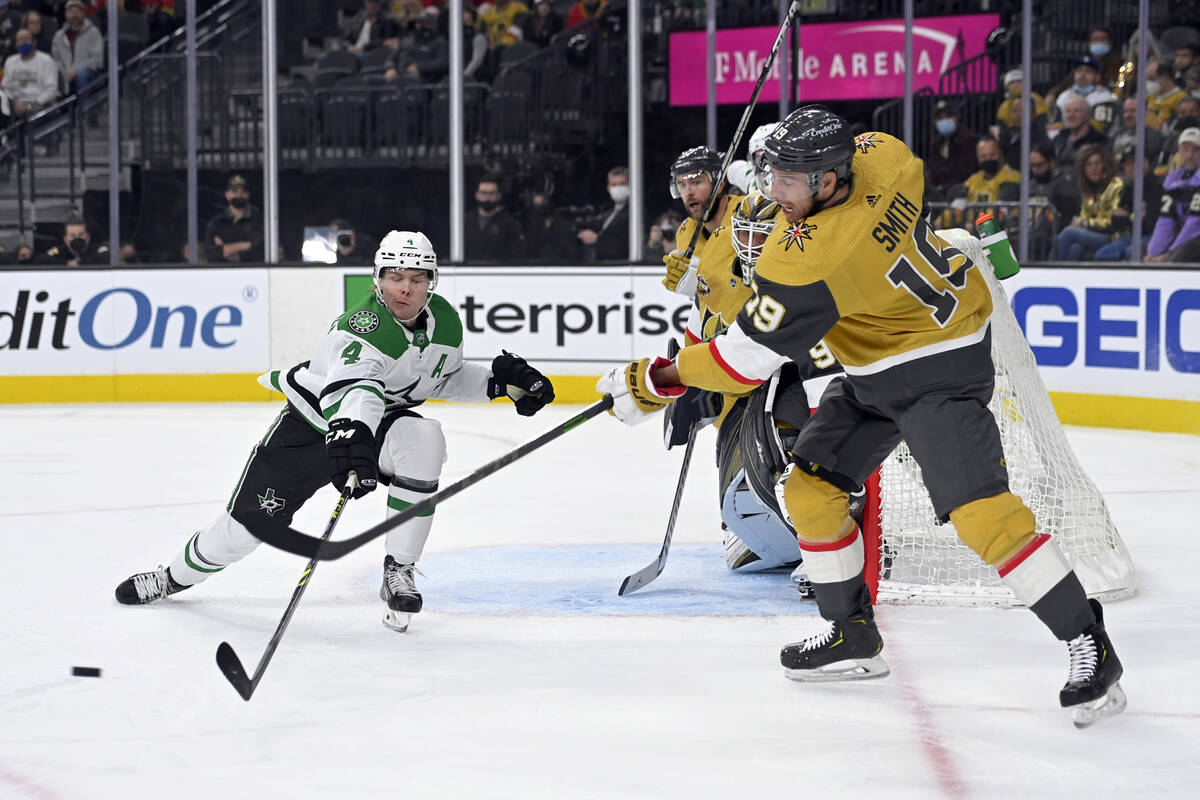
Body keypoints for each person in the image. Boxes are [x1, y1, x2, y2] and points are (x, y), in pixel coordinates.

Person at [598, 106, 1126, 726]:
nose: (773, 195)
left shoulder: (814, 262)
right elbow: (866, 165)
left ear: (827, 180)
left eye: (789, 184)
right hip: (881, 364)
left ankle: (1089, 642)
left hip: (939, 372)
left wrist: (654, 380)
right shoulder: (884, 156)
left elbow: (739, 363)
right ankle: (852, 635)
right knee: (811, 490)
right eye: (770, 178)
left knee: (983, 517)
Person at [115, 230, 556, 633]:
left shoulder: (444, 322)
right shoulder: (359, 328)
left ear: (432, 281)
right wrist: (351, 437)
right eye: (396, 276)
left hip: (375, 425)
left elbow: (438, 377)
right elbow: (357, 390)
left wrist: (498, 384)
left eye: (418, 279)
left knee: (425, 440)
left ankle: (398, 571)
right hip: (313, 426)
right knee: (238, 534)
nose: (406, 288)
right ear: (378, 278)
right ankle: (170, 577)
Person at [660, 146, 744, 293]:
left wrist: (705, 282)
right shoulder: (685, 233)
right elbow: (708, 300)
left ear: (719, 186)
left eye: (696, 182)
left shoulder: (747, 212)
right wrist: (696, 289)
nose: (688, 192)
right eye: (682, 185)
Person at [1052, 144, 1124, 261]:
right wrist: (1080, 222)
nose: (1093, 168)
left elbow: (1111, 221)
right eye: (1088, 164)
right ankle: (1065, 277)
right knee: (1075, 247)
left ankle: (1050, 276)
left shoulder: (1115, 185)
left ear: (1104, 165)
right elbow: (1084, 215)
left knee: (1068, 233)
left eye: (1097, 163)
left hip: (1112, 236)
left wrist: (1084, 224)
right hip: (1092, 233)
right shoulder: (1088, 189)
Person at [1095, 147, 1162, 261]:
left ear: (1146, 162)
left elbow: (1150, 224)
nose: (1130, 168)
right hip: (1131, 236)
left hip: (1153, 236)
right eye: (1127, 165)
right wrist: (1132, 218)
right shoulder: (1127, 188)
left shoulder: (1157, 187)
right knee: (1102, 255)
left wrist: (1128, 217)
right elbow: (1114, 219)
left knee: (1131, 252)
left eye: (1133, 163)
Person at [1146, 127, 1200, 262]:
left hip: (1194, 238)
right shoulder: (1173, 180)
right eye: (1185, 149)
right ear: (1179, 152)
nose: (1189, 155)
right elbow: (1166, 219)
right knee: (1142, 250)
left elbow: (1195, 223)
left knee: (1188, 248)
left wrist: (1170, 254)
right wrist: (1153, 252)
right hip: (1185, 236)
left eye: (1196, 150)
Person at [0, 28, 60, 131]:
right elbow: (5, 88)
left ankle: (30, 145)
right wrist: (14, 103)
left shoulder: (46, 60)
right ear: (16, 44)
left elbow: (52, 91)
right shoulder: (10, 61)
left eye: (27, 39)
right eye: (20, 39)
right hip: (15, 105)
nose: (23, 42)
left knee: (31, 114)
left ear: (34, 42)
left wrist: (28, 106)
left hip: (40, 105)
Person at [464, 175, 525, 261]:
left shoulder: (511, 224)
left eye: (492, 193)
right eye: (484, 193)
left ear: (499, 195)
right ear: (477, 195)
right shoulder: (465, 222)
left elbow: (516, 257)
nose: (488, 198)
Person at [204, 175, 264, 263]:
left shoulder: (259, 221)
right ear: (227, 195)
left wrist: (227, 250)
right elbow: (211, 254)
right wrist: (243, 245)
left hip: (252, 273)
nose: (239, 195)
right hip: (222, 273)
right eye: (234, 191)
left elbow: (261, 252)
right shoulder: (216, 223)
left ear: (247, 195)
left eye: (243, 192)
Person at [575, 166, 630, 261]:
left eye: (622, 184)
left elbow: (624, 244)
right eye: (614, 185)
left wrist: (597, 239)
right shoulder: (607, 214)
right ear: (608, 188)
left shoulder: (635, 215)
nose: (618, 188)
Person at [51, 0, 104, 98]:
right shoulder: (59, 36)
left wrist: (76, 70)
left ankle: (83, 111)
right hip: (65, 73)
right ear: (66, 14)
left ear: (83, 13)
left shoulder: (93, 32)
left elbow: (97, 60)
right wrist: (64, 71)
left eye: (78, 11)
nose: (74, 14)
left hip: (88, 73)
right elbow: (56, 59)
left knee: (82, 74)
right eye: (71, 11)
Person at [926, 100, 978, 196]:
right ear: (934, 122)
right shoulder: (936, 143)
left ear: (957, 118)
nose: (944, 121)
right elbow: (933, 169)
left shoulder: (968, 139)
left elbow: (967, 170)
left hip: (963, 191)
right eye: (940, 118)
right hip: (940, 192)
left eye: (948, 117)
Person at [1052, 95, 1108, 174]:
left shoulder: (1099, 140)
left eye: (1076, 111)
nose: (1071, 115)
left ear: (1087, 115)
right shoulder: (1059, 138)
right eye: (1068, 111)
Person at [1053, 55, 1115, 121]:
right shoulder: (1064, 96)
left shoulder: (1105, 97)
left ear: (1097, 76)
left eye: (1088, 71)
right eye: (1079, 71)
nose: (1082, 75)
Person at [35, 217, 109, 265]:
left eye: (81, 235)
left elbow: (107, 256)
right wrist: (67, 263)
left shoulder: (97, 250)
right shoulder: (59, 251)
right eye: (72, 236)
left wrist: (80, 263)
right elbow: (41, 260)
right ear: (66, 239)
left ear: (88, 237)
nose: (77, 238)